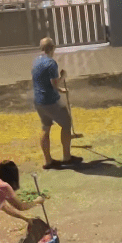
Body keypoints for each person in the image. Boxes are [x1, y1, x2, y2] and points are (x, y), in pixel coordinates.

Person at [31, 37, 83, 169]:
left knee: (45, 127)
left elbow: (43, 81)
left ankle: (48, 161)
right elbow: (54, 84)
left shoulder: (36, 61)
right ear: (52, 48)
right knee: (66, 123)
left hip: (38, 101)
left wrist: (60, 90)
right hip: (50, 101)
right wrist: (63, 77)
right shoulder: (51, 63)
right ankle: (67, 157)